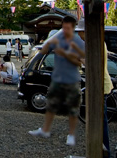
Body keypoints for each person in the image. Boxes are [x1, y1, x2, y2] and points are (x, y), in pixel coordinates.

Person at [29, 16, 85, 146]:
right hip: (57, 78)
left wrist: (65, 54)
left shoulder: (78, 42)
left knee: (72, 108)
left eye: (68, 28)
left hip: (72, 79)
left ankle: (71, 134)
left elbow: (82, 63)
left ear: (73, 28)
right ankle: (45, 130)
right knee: (51, 105)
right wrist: (46, 45)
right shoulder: (58, 39)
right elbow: (43, 51)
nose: (65, 30)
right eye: (63, 27)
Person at [74, 20, 113, 156]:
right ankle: (100, 149)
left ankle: (104, 151)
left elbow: (92, 62)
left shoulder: (96, 43)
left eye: (80, 32)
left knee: (100, 122)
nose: (79, 35)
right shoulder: (95, 42)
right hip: (100, 84)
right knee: (99, 121)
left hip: (101, 85)